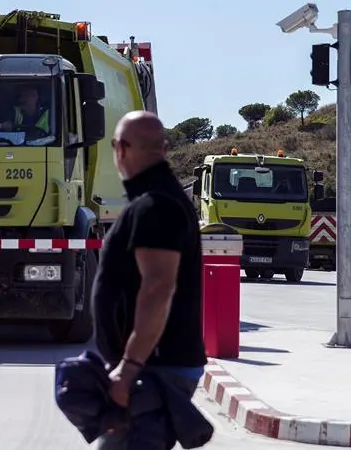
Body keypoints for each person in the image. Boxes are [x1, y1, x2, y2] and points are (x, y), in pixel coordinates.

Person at [91, 111, 207, 449]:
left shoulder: (155, 205)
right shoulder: (156, 198)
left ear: (122, 149)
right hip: (153, 366)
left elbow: (158, 289)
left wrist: (129, 367)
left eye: (114, 145)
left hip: (154, 368)